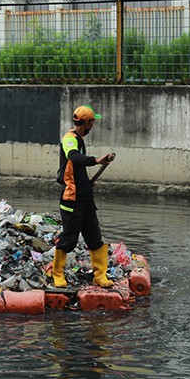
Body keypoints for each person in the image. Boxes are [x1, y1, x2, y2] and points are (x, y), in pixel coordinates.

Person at [53, 104, 116, 288]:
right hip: (71, 198)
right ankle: (57, 275)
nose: (92, 126)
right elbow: (73, 158)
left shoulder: (80, 140)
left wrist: (87, 183)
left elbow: (76, 170)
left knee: (94, 237)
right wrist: (96, 161)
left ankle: (100, 276)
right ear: (86, 122)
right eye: (92, 123)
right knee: (69, 239)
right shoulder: (70, 140)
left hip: (85, 197)